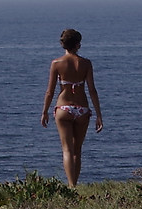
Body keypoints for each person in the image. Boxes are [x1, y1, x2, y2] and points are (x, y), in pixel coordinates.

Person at [40, 28, 102, 186]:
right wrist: (99, 115)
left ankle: (71, 185)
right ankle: (75, 182)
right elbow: (92, 90)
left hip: (63, 109)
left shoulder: (56, 64)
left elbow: (50, 91)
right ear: (78, 44)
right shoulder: (86, 63)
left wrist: (45, 111)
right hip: (82, 109)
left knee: (67, 149)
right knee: (77, 150)